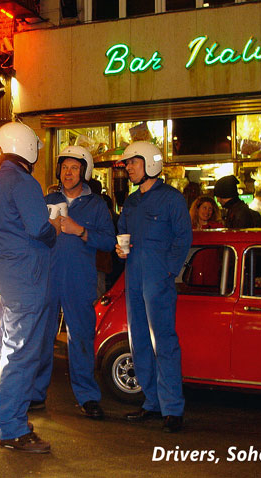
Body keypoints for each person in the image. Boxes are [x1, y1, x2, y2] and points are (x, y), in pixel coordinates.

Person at [0, 121, 59, 453]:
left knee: (5, 348)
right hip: (25, 275)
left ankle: (1, 419)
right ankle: (13, 429)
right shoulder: (24, 182)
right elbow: (40, 229)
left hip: (1, 272)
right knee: (21, 352)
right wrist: (54, 226)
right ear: (27, 148)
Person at [115, 141, 192, 433]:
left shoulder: (172, 199)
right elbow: (122, 232)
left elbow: (183, 238)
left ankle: (173, 409)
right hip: (133, 274)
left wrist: (167, 272)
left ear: (150, 163)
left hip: (157, 277)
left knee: (164, 342)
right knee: (139, 342)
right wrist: (119, 249)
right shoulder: (132, 202)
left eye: (133, 162)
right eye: (128, 164)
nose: (128, 168)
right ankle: (152, 403)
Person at [42, 145, 116, 420]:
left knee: (82, 339)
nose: (68, 172)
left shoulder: (96, 204)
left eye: (74, 167)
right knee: (42, 338)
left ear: (84, 171)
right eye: (64, 167)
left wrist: (81, 231)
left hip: (79, 280)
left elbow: (109, 241)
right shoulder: (47, 198)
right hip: (48, 278)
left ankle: (87, 397)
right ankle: (37, 394)